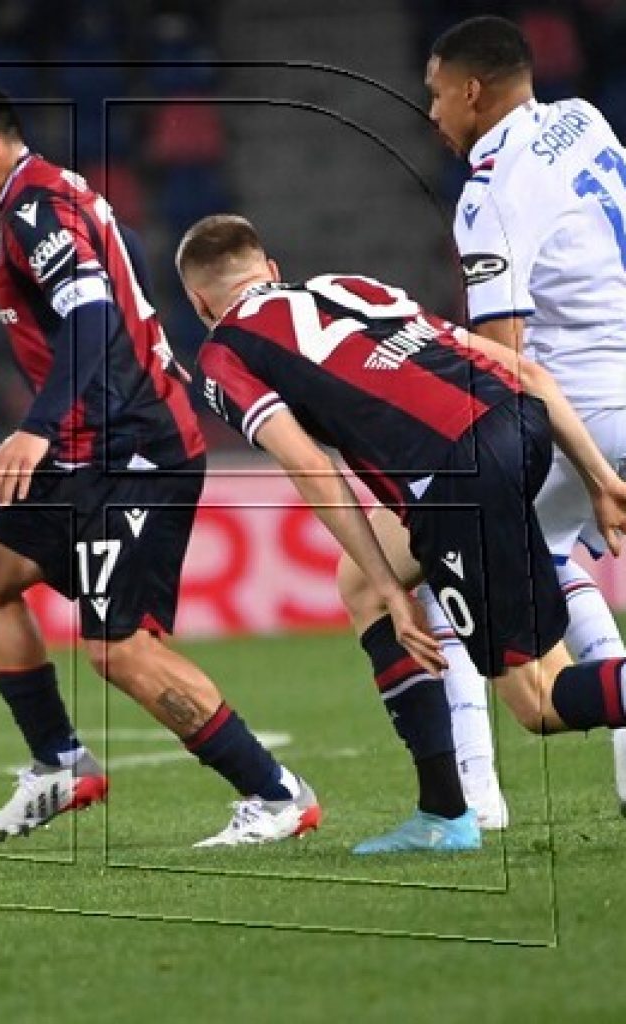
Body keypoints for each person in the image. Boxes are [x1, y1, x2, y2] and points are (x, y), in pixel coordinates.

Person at [0, 76, 320, 848]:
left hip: (133, 451)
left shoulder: (36, 209)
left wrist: (35, 427)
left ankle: (277, 793)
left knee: (117, 647)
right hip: (87, 451)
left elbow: (91, 320)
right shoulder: (38, 202)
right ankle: (60, 763)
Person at [176, 213, 626, 853]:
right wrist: (599, 475)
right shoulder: (346, 288)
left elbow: (312, 469)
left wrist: (396, 589)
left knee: (539, 700)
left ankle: (450, 817)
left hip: (454, 473)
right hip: (522, 423)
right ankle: (444, 809)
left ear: (200, 303)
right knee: (356, 581)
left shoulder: (223, 355)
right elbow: (524, 372)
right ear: (271, 271)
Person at [339, 14, 626, 828]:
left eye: (435, 96)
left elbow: (503, 364)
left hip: (582, 410)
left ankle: (472, 800)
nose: (430, 115)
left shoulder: (489, 194)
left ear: (471, 92)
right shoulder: (583, 119)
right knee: (546, 550)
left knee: (423, 562)